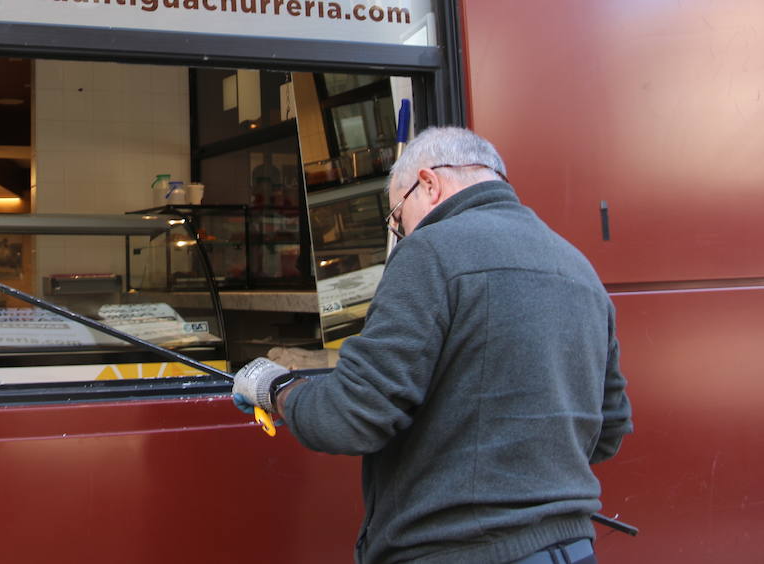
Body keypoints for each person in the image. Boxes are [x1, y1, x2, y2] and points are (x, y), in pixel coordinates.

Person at [233, 126, 631, 564]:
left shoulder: (432, 252)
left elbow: (351, 417)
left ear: (429, 183)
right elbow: (607, 430)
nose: (400, 233)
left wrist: (273, 388)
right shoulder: (578, 267)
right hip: (573, 550)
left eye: (397, 217)